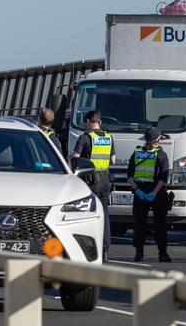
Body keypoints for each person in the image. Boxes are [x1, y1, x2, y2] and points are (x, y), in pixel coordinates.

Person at [71, 110, 116, 261]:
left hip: (90, 181)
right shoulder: (109, 138)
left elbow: (76, 158)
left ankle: (87, 248)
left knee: (86, 215)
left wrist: (70, 157)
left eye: (86, 122)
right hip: (105, 180)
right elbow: (113, 160)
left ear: (89, 121)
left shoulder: (85, 137)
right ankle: (105, 249)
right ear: (100, 122)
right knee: (104, 215)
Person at [127, 127, 172, 263]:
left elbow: (129, 176)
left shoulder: (136, 153)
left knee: (139, 224)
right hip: (157, 194)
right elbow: (163, 178)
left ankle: (139, 253)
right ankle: (162, 254)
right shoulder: (161, 155)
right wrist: (153, 193)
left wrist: (138, 190)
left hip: (140, 193)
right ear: (158, 139)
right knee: (160, 224)